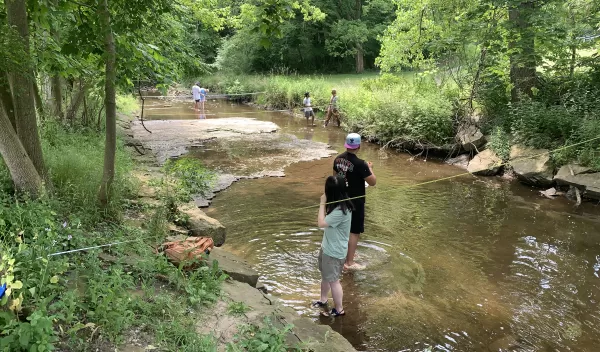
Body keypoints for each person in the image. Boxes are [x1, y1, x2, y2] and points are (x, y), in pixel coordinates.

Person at [333, 133, 376, 270]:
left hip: (340, 199)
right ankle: (349, 262)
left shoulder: (338, 159)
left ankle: (343, 256)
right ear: (358, 146)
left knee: (343, 229)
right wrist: (369, 168)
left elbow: (335, 179)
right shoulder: (361, 164)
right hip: (356, 202)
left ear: (346, 145)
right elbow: (373, 182)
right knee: (354, 231)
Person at [313, 175, 354, 317]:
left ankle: (339, 309)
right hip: (327, 248)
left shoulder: (340, 211)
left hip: (334, 253)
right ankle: (323, 300)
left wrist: (322, 202)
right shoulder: (339, 204)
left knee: (334, 281)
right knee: (325, 276)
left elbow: (320, 223)